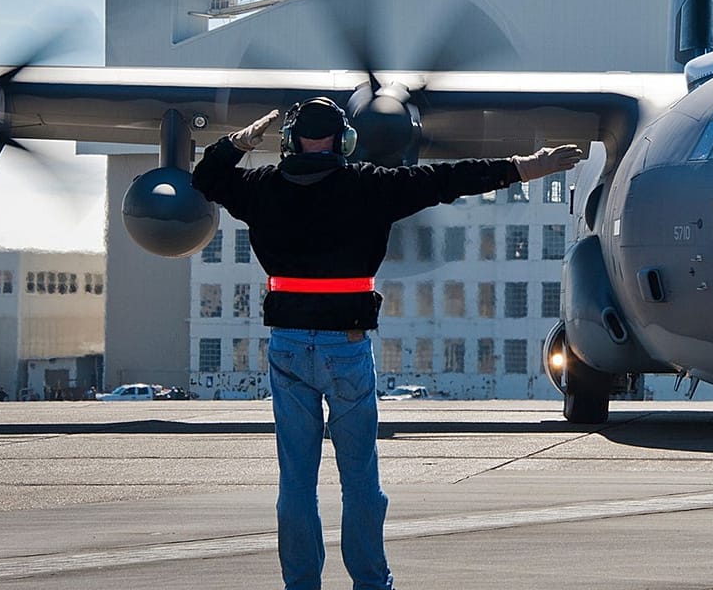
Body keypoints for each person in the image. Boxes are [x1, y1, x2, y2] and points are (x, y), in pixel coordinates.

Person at [192, 97, 580, 590]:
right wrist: (522, 168)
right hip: (348, 348)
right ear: (345, 140)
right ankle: (372, 584)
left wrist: (241, 141)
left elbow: (206, 178)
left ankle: (301, 585)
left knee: (296, 484)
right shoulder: (370, 186)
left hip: (288, 347)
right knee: (360, 485)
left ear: (289, 141)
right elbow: (447, 180)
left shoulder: (260, 187)